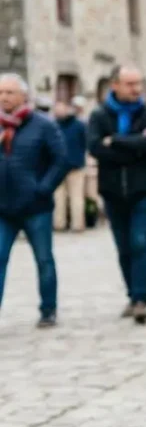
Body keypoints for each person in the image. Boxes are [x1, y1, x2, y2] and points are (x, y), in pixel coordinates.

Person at [87, 65, 146, 324]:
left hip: (144, 189)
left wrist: (116, 140)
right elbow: (95, 147)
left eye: (139, 83)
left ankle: (141, 300)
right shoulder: (99, 115)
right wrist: (134, 145)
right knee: (123, 247)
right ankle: (132, 294)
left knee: (140, 242)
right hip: (112, 191)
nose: (136, 89)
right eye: (130, 84)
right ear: (115, 85)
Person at [0, 74, 67, 328]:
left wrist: (43, 188)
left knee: (43, 259)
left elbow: (60, 160)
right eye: (0, 92)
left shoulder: (43, 125)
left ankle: (48, 309)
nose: (4, 97)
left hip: (36, 207)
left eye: (9, 92)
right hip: (3, 208)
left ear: (23, 96)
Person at [52, 100, 88, 232]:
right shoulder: (54, 125)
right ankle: (61, 224)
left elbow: (85, 143)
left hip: (72, 166)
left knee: (74, 197)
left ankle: (73, 224)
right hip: (62, 166)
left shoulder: (78, 125)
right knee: (60, 197)